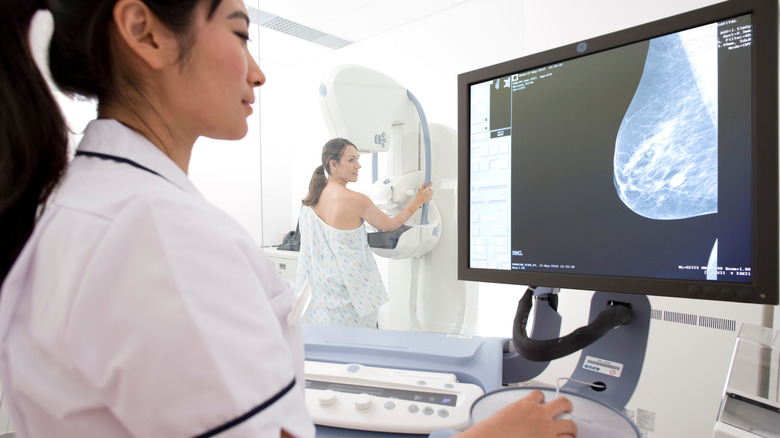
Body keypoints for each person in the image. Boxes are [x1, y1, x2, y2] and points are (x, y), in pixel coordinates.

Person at [0, 1, 576, 437]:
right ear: (144, 32)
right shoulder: (161, 237)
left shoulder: (79, 207)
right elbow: (391, 222)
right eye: (238, 33)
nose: (258, 72)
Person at [296, 138, 432, 328]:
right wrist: (418, 201)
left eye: (358, 159)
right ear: (333, 164)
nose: (358, 166)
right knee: (360, 349)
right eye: (351, 160)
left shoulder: (309, 203)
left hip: (322, 296)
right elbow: (390, 225)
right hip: (351, 297)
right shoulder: (356, 200)